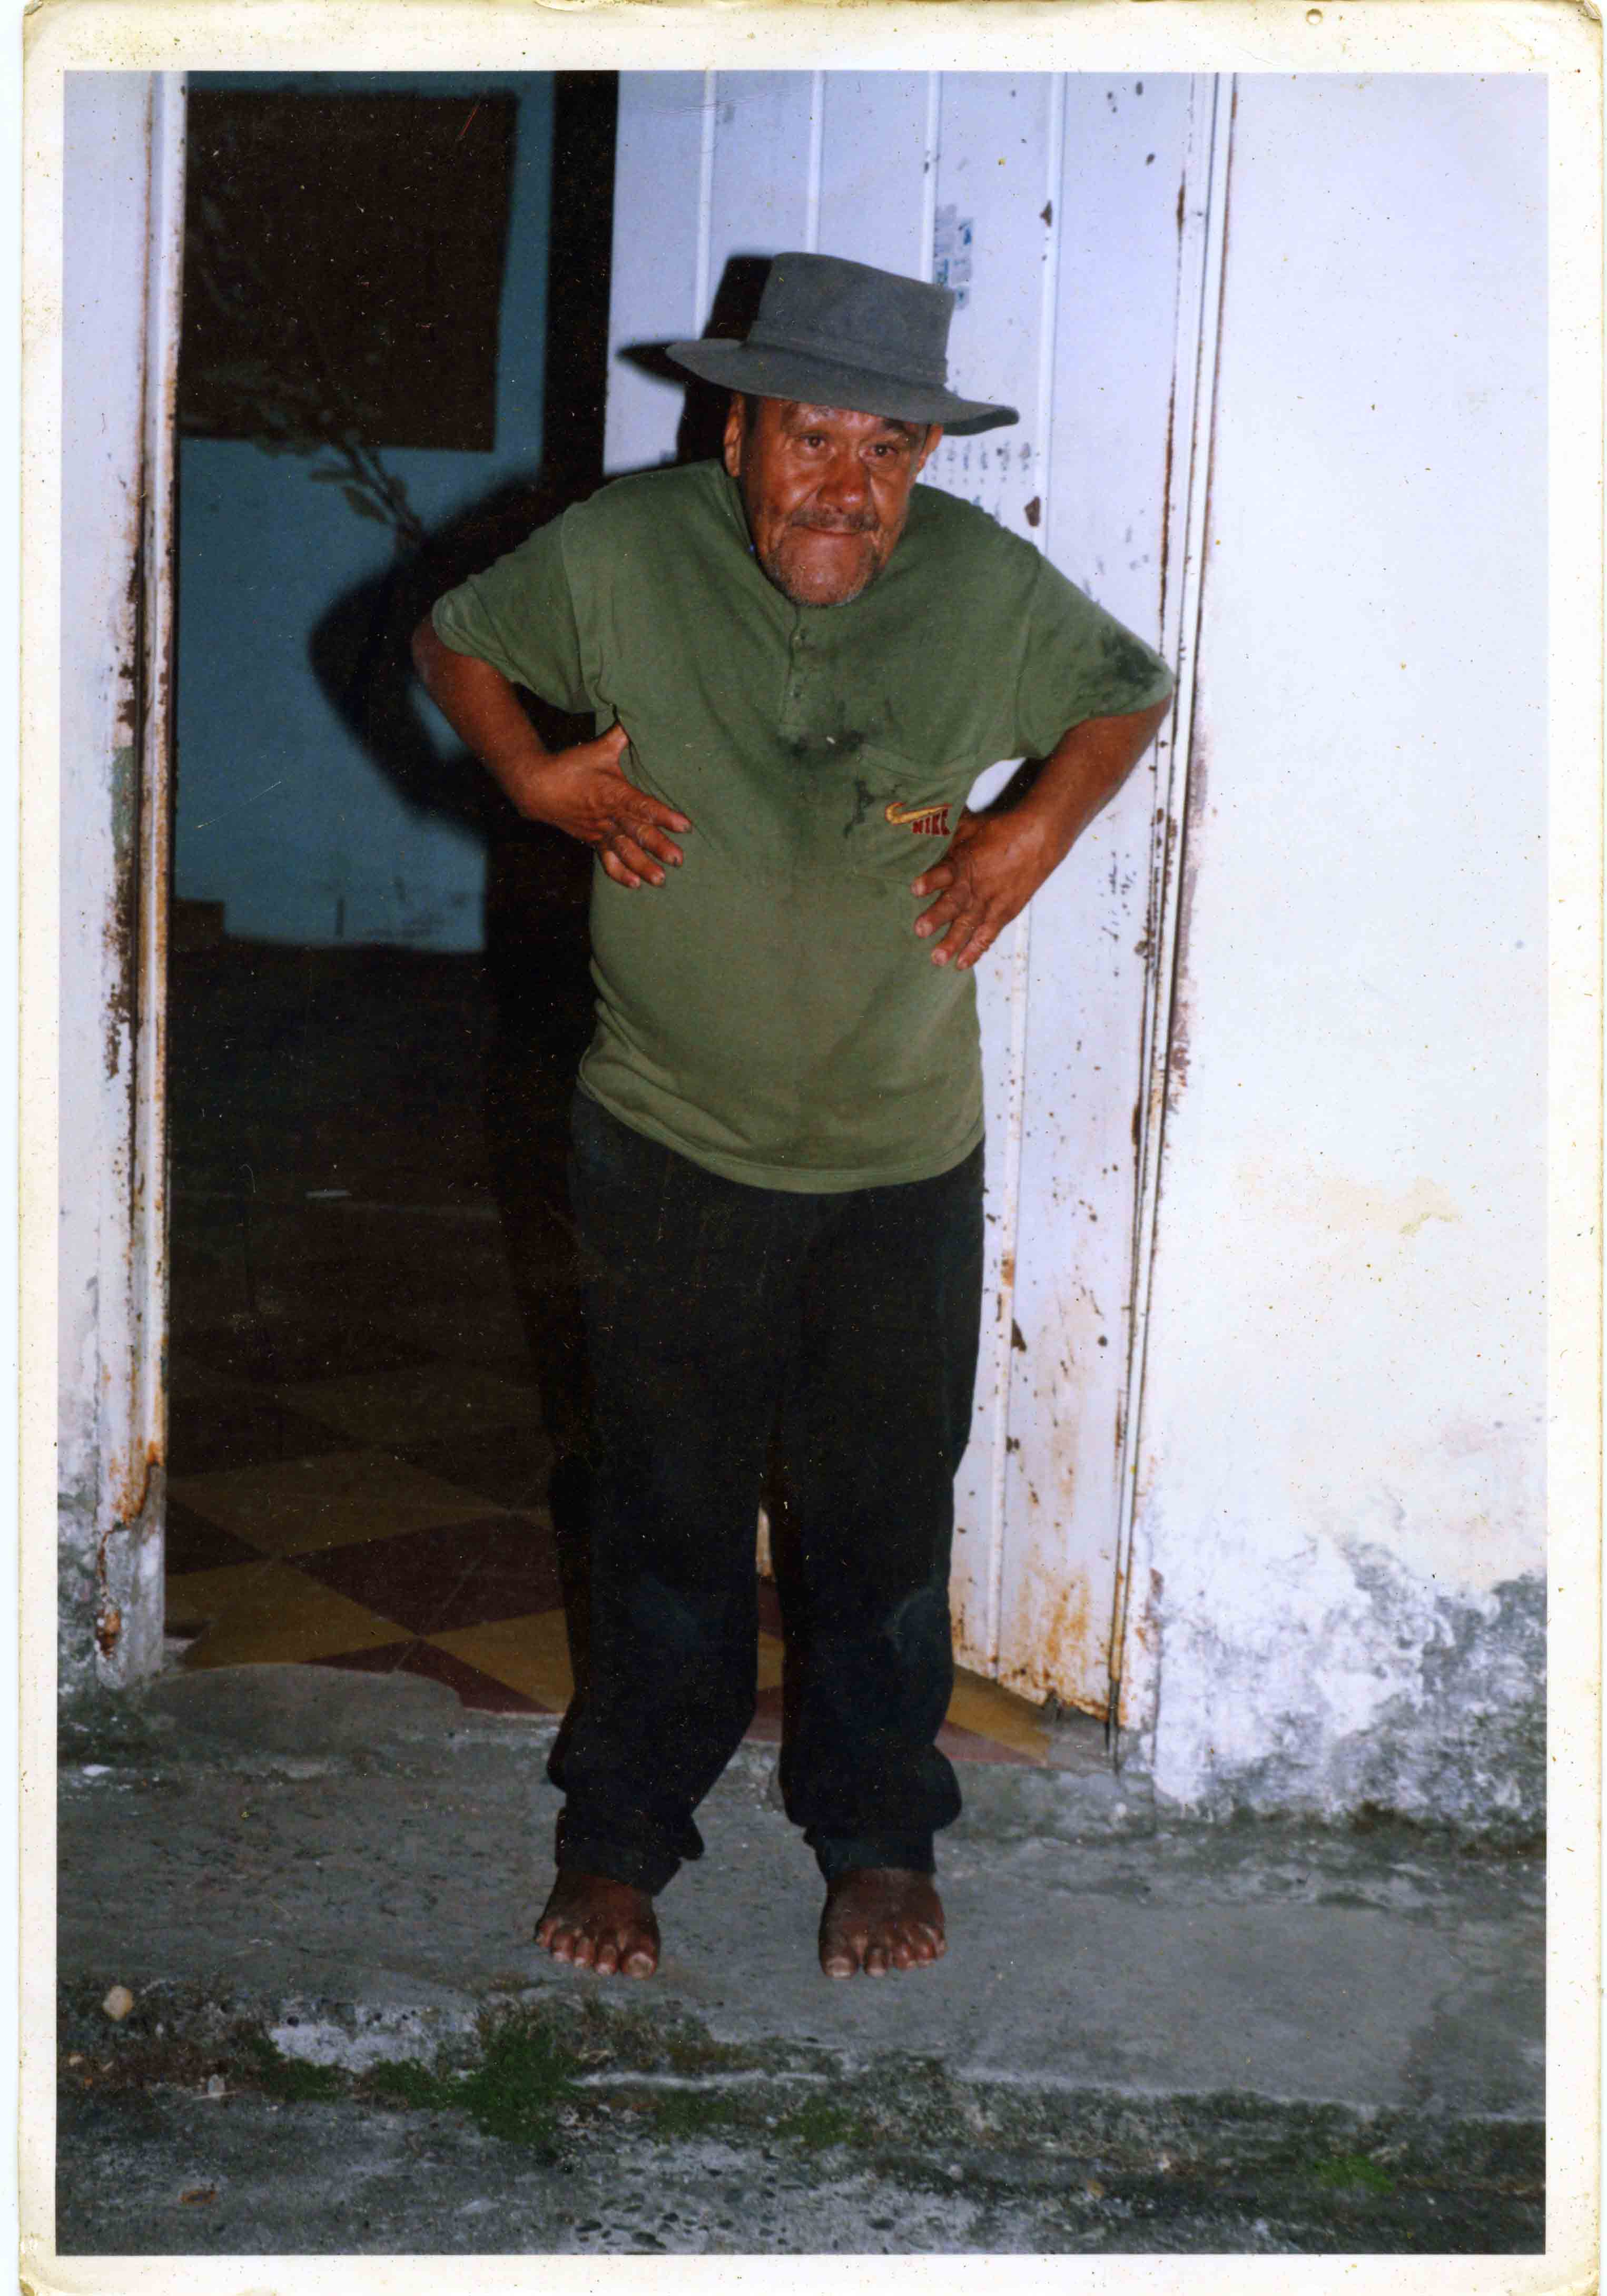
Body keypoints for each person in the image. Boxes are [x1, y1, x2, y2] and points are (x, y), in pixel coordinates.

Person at [411, 252, 1173, 1982]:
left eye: (887, 449)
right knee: (664, 1510)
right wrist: (529, 774)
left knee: (882, 1520)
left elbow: (1124, 689)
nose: (847, 486)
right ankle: (621, 1839)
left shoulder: (978, 582)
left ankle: (877, 1834)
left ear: (924, 461)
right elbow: (454, 638)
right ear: (739, 434)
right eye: (813, 438)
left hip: (901, 1152)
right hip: (668, 1138)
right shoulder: (625, 552)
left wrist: (1031, 830)